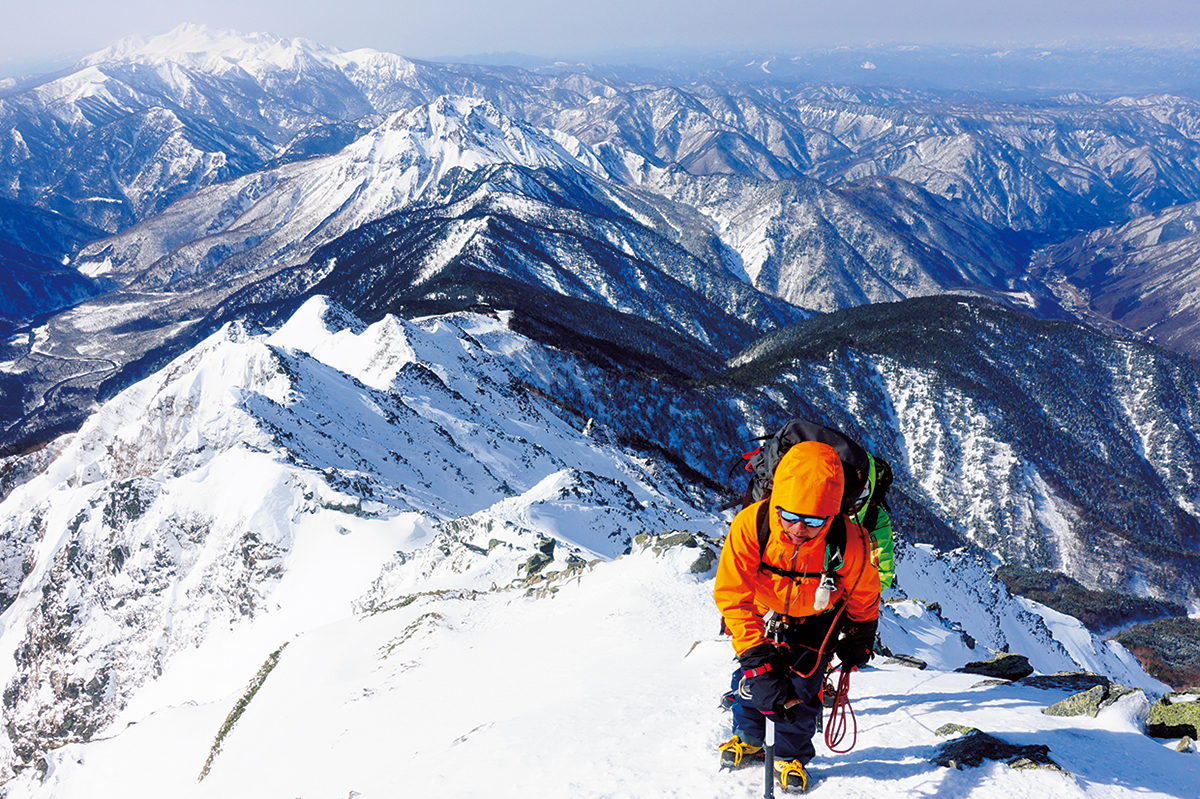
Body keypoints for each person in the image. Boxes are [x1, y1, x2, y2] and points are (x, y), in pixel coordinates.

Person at [714, 440, 881, 793]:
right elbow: (733, 594)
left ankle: (790, 753)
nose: (798, 529)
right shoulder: (752, 525)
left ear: (832, 514)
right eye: (789, 516)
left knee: (803, 688)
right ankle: (749, 736)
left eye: (813, 521)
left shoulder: (849, 540)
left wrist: (862, 632)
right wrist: (756, 658)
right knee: (754, 680)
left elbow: (864, 590)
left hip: (817, 616)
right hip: (762, 609)